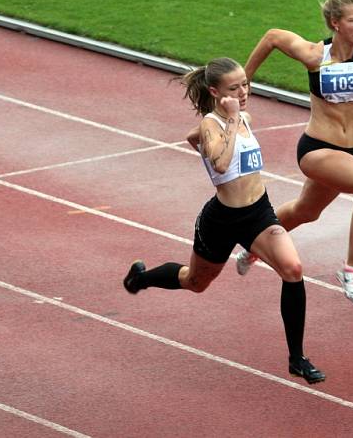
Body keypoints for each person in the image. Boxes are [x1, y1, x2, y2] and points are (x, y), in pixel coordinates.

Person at [122, 57, 325, 384]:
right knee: (195, 283)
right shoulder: (215, 123)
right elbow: (219, 163)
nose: (243, 92)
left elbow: (198, 140)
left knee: (293, 269)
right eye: (234, 88)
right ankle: (141, 278)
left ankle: (297, 358)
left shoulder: (242, 117)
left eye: (245, 84)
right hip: (222, 219)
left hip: (258, 212)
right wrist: (228, 122)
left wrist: (229, 121)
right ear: (216, 92)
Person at [234, 0, 353, 308]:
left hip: (349, 152)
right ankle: (352, 271)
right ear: (335, 23)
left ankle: (254, 244)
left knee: (306, 211)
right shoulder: (316, 54)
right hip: (317, 148)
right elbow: (273, 37)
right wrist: (244, 82)